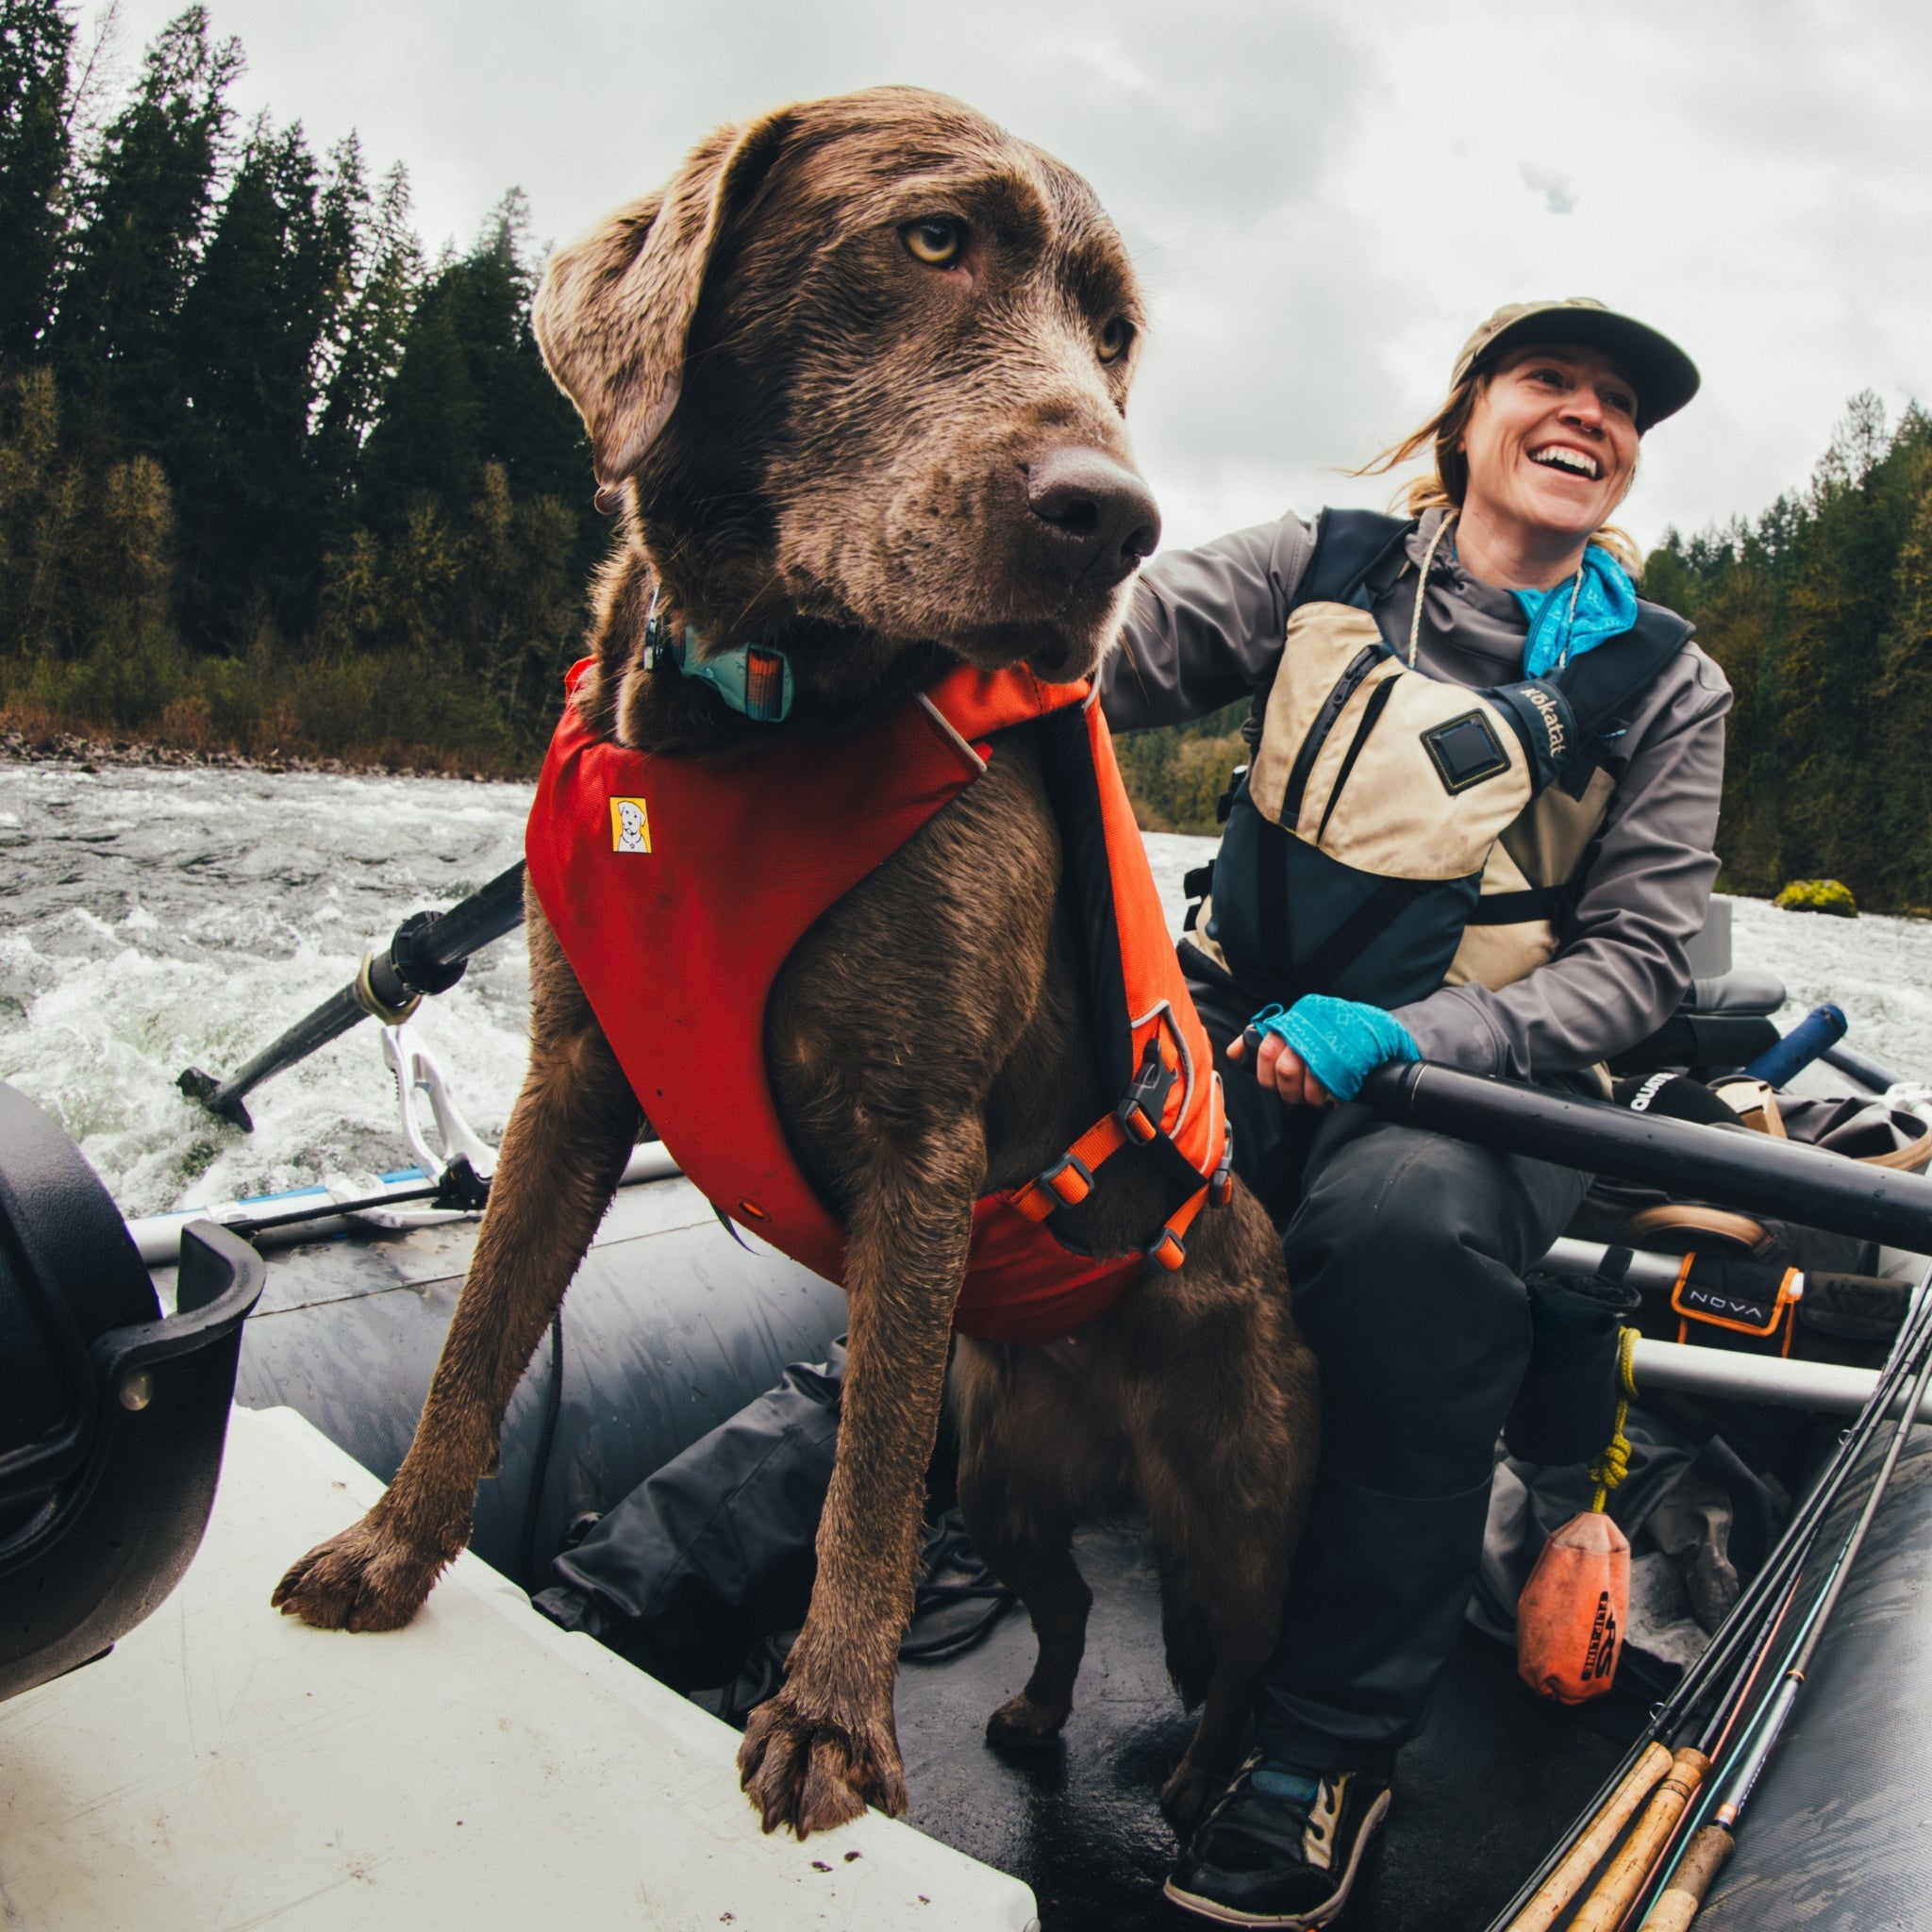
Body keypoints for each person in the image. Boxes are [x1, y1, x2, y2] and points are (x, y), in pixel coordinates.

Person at [1104, 298, 1731, 1928]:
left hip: (1486, 1081)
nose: (1586, 416)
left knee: (1399, 1224)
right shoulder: (1321, 563)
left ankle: (1330, 1751)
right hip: (1235, 1025)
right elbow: (1090, 660)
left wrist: (1404, 1037)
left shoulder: (1668, 684)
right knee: (1052, 1176)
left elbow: (1645, 963)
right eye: (1551, 382)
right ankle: (676, 1563)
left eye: (1620, 404)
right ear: (1469, 417)